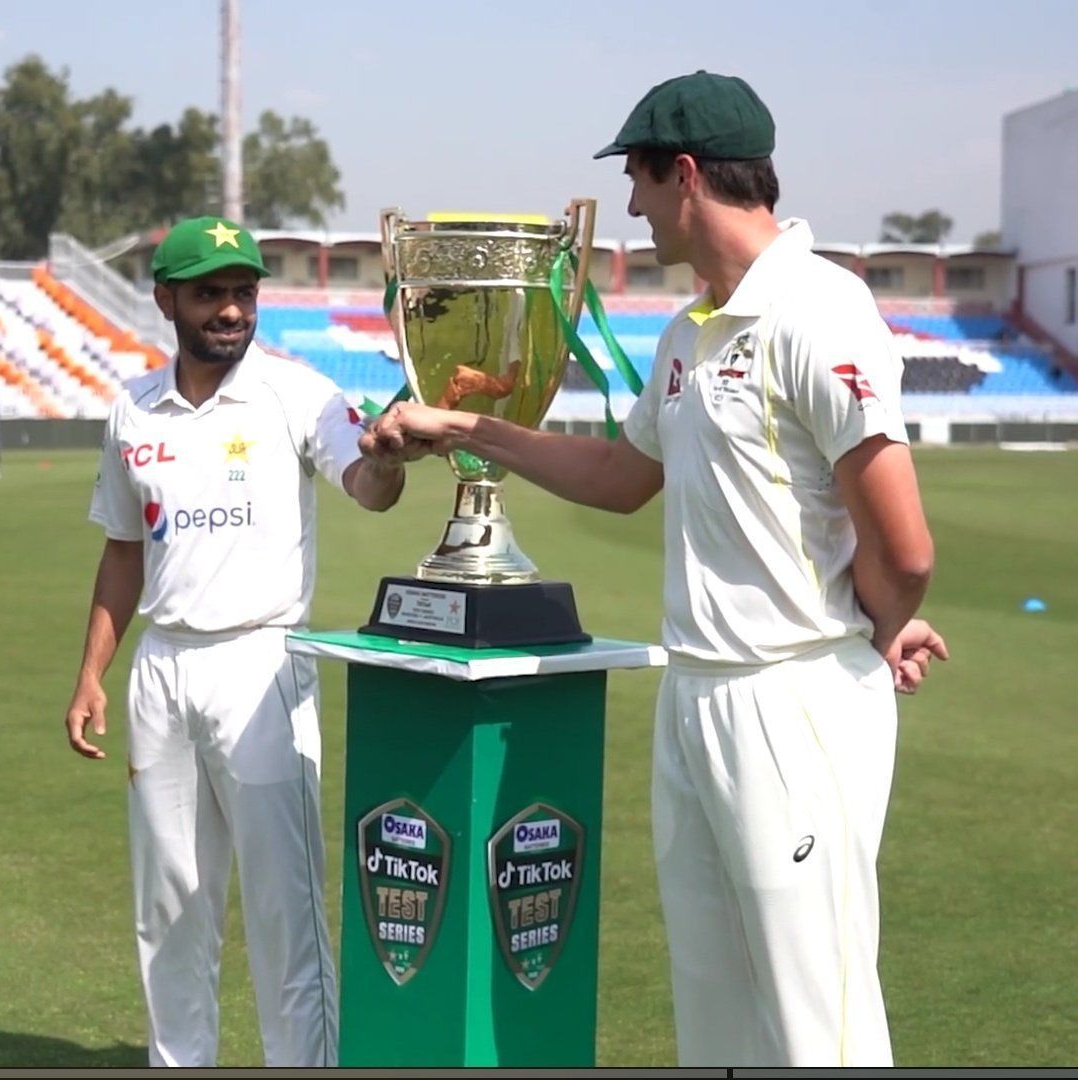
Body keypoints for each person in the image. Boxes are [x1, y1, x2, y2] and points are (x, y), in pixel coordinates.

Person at [361, 71, 949, 1068]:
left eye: (636, 179)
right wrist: (461, 426)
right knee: (715, 1008)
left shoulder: (819, 310)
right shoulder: (688, 333)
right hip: (697, 695)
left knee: (820, 1018)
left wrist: (883, 620)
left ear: (684, 174)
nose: (630, 208)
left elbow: (906, 547)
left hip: (793, 700)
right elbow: (622, 475)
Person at [63, 215, 411, 1068]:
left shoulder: (298, 392)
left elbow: (366, 483)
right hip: (162, 669)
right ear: (166, 300)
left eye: (244, 292)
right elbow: (122, 549)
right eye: (211, 292)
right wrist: (91, 675)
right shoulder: (131, 409)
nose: (230, 309)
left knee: (283, 911)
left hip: (263, 664)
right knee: (171, 909)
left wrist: (391, 459)